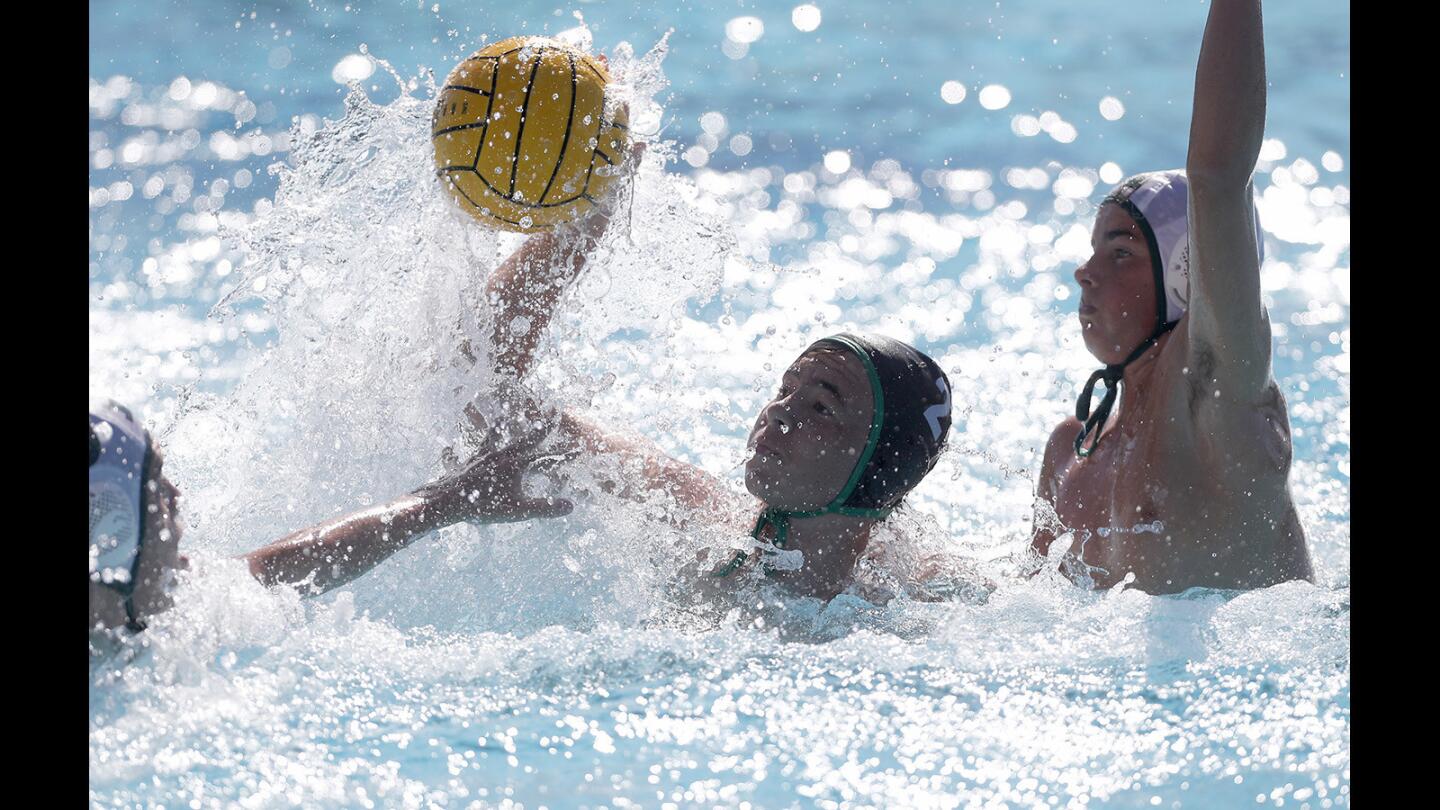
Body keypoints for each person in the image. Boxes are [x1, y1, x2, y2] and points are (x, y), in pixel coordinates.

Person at [1029, 0, 1314, 593]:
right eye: (1093, 251)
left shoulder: (1221, 401)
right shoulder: (1070, 452)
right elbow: (1018, 605)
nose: (1085, 272)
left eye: (1121, 253)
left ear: (1186, 280)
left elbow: (1218, 178)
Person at [88, 397, 569, 634]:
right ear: (113, 517)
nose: (177, 492)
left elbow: (280, 567)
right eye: (156, 479)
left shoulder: (172, 598)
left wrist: (446, 501)